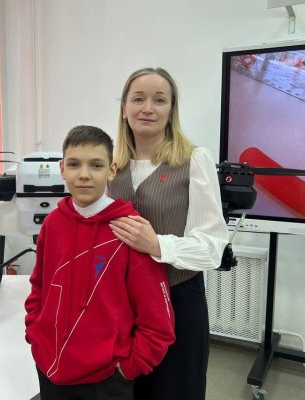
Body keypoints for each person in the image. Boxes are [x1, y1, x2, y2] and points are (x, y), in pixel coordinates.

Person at [24, 125, 176, 400]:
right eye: (74, 164)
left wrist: (127, 369)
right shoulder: (52, 224)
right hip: (49, 369)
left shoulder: (130, 229)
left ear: (111, 170)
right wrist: (36, 336)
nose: (84, 174)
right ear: (62, 169)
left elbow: (158, 322)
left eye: (95, 165)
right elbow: (39, 288)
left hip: (106, 381)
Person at [107, 67, 229, 400]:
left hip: (177, 300)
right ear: (124, 108)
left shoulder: (195, 160)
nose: (148, 108)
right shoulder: (112, 165)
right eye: (138, 99)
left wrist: (157, 245)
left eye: (159, 100)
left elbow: (213, 246)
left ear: (171, 109)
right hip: (122, 305)